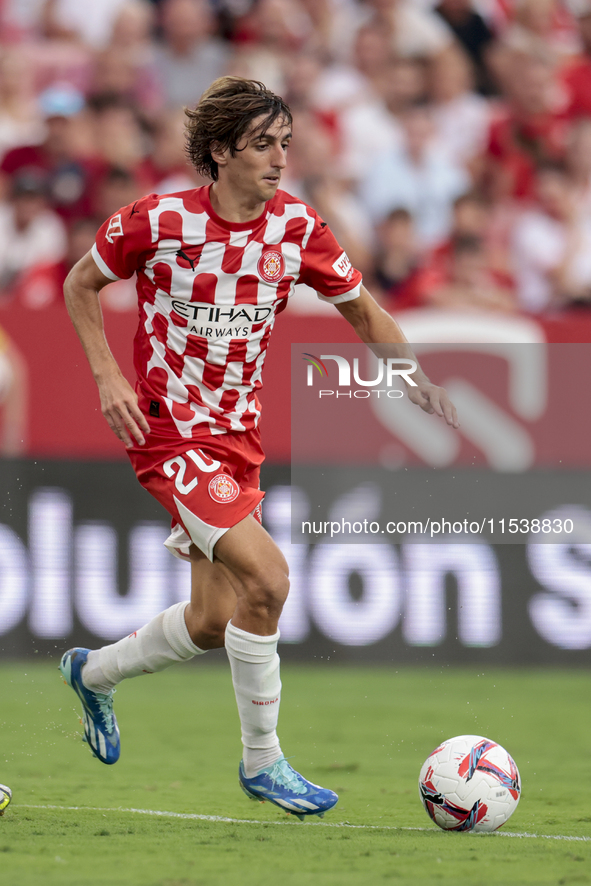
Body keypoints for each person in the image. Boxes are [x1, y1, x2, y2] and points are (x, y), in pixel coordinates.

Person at [59, 76, 458, 821]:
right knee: (268, 581)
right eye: (262, 145)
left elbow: (366, 316)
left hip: (238, 438)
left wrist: (415, 383)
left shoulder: (298, 229)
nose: (279, 159)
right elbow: (80, 285)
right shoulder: (157, 221)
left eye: (285, 144)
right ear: (219, 151)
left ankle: (93, 673)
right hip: (168, 431)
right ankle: (263, 762)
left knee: (212, 623)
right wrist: (108, 375)